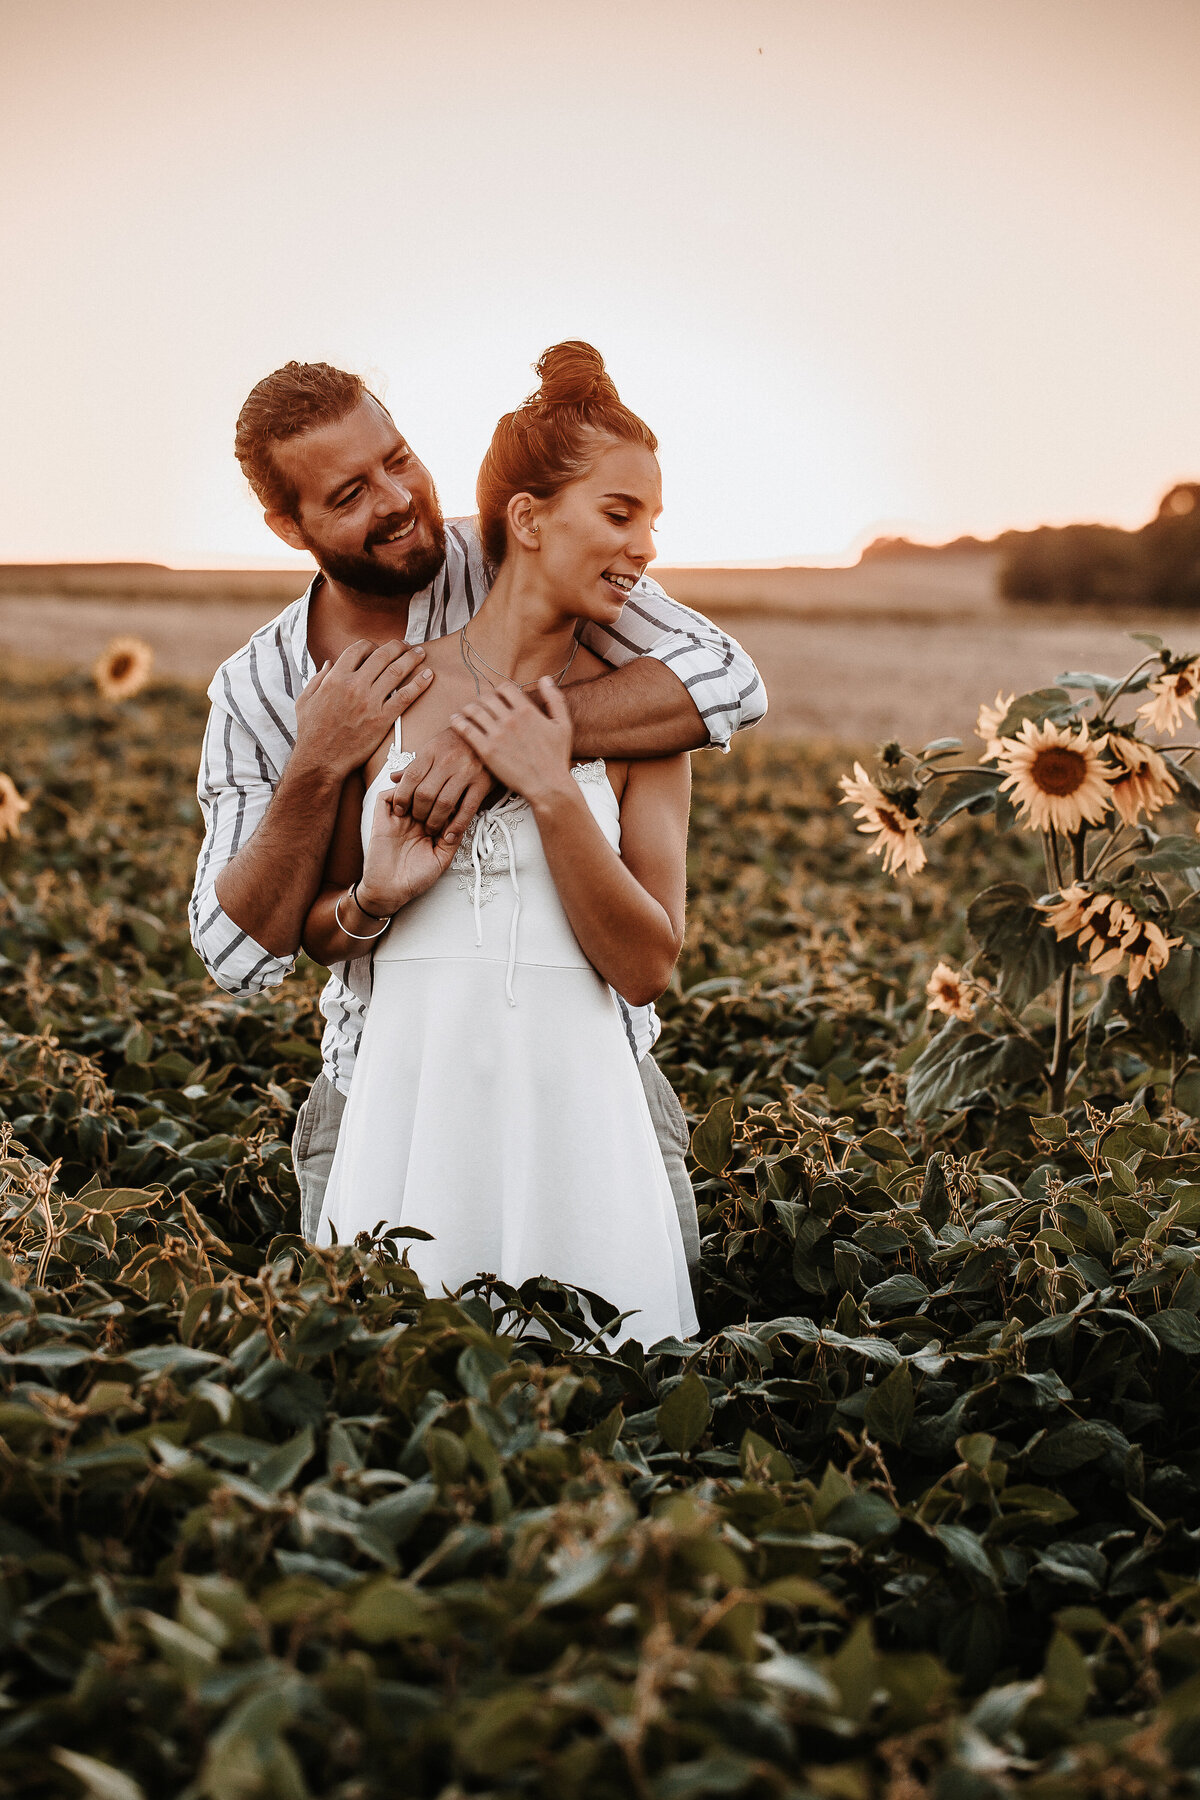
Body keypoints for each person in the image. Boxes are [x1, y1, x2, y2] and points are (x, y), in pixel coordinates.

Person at [189, 354, 767, 1254]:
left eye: (400, 458)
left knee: (629, 1369)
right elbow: (237, 952)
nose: (397, 499)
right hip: (385, 1081)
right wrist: (316, 765)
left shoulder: (512, 549)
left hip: (591, 1079)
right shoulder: (260, 687)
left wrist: (496, 742)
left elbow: (726, 678)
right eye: (348, 494)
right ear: (286, 525)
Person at [306, 342, 697, 1342]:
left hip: (578, 1121)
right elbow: (317, 930)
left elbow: (650, 966)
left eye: (653, 520)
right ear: (526, 519)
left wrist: (551, 793)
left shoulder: (647, 725)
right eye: (620, 514)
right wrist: (375, 901)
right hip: (411, 1101)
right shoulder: (378, 693)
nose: (646, 546)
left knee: (605, 1421)